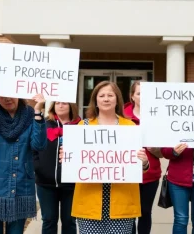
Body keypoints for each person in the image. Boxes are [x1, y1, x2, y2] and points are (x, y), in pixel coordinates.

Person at [60, 81, 149, 234]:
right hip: (89, 202)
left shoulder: (130, 128)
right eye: (101, 96)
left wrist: (144, 162)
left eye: (110, 95)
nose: (106, 99)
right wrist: (67, 158)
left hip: (122, 202)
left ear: (117, 99)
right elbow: (75, 164)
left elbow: (138, 168)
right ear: (95, 100)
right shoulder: (83, 127)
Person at [0, 85, 47, 234]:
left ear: (19, 94)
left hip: (21, 184)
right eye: (2, 96)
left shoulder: (31, 114)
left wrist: (38, 111)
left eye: (11, 94)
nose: (7, 99)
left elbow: (39, 145)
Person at [33, 101, 81, 234]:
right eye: (57, 103)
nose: (60, 106)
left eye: (64, 103)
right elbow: (34, 147)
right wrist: (38, 166)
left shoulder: (81, 126)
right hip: (45, 183)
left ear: (71, 106)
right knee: (48, 220)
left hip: (72, 184)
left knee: (69, 221)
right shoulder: (43, 124)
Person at [124, 80, 162, 234]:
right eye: (139, 93)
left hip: (150, 173)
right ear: (132, 96)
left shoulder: (158, 116)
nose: (142, 97)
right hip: (127, 173)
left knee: (145, 212)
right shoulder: (122, 116)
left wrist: (155, 149)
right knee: (130, 214)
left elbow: (163, 152)